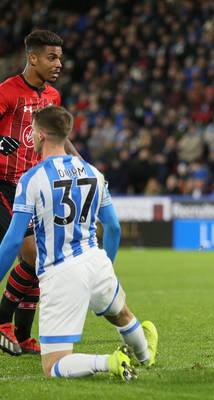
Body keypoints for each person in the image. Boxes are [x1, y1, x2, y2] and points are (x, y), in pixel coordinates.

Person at [0, 105, 158, 379]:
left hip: (61, 272)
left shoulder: (32, 179)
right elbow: (113, 226)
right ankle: (145, 355)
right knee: (120, 314)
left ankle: (109, 361)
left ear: (42, 136)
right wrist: (106, 266)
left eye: (35, 132)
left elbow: (14, 241)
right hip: (96, 262)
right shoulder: (93, 172)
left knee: (53, 367)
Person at [0, 30, 81, 355]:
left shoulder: (53, 97)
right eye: (51, 57)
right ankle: (2, 320)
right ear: (32, 57)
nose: (58, 63)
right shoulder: (7, 92)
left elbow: (59, 137)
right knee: (33, 256)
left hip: (36, 186)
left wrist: (80, 163)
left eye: (60, 57)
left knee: (42, 259)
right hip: (6, 184)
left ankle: (21, 333)